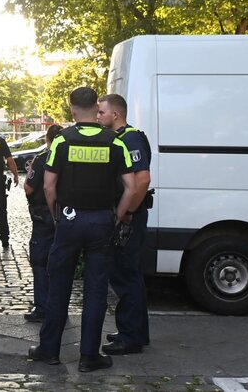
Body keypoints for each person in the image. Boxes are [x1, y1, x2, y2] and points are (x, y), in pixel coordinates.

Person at [28, 87, 137, 373]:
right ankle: (89, 356)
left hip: (68, 219)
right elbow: (131, 187)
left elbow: (48, 186)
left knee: (58, 286)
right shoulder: (115, 142)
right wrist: (118, 216)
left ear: (73, 108)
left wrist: (56, 216)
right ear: (95, 107)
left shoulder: (62, 141)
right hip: (101, 221)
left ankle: (49, 350)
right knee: (96, 290)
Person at [97, 93, 153, 355]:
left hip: (130, 217)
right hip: (127, 215)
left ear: (115, 114)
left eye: (101, 112)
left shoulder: (130, 139)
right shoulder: (120, 139)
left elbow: (142, 181)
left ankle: (131, 337)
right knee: (128, 275)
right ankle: (134, 331)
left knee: (126, 275)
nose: (98, 117)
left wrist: (127, 213)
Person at [23, 123, 64, 322]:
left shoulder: (41, 159)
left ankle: (42, 308)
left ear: (47, 139)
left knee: (40, 262)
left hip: (43, 215)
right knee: (61, 263)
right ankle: (59, 308)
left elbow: (29, 188)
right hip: (65, 215)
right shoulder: (68, 156)